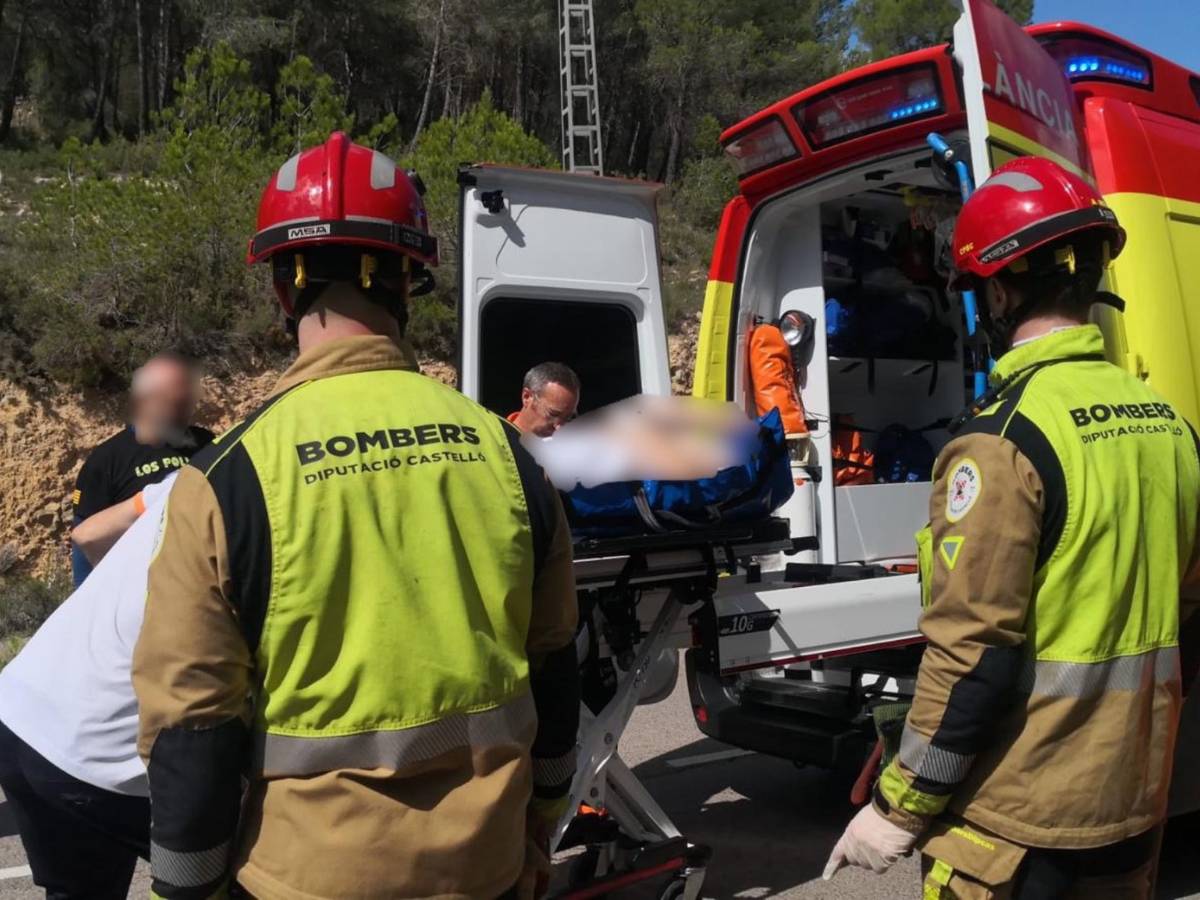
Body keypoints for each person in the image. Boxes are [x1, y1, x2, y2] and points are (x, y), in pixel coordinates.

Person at [132, 132, 580, 900]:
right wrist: (541, 816)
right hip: (486, 868)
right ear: (409, 282)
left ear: (283, 288)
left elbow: (193, 728)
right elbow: (553, 667)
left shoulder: (227, 480)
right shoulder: (511, 457)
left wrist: (186, 888)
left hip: (308, 876)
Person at [824, 157, 1200, 898]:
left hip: (1019, 822)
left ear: (997, 288)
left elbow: (974, 657)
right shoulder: (1172, 427)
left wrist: (899, 809)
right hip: (1131, 805)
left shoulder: (1002, 442)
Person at [0, 474, 177, 900]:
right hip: (98, 743)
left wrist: (118, 604)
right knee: (238, 874)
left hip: (21, 706)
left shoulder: (194, 472)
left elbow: (90, 532)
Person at [70, 351, 212, 584]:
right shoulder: (106, 459)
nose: (183, 412)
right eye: (173, 403)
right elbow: (85, 543)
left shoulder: (208, 443)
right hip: (140, 589)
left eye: (186, 403)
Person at [509, 361, 581, 436]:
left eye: (568, 419)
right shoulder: (498, 437)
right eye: (553, 414)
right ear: (527, 397)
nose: (560, 429)